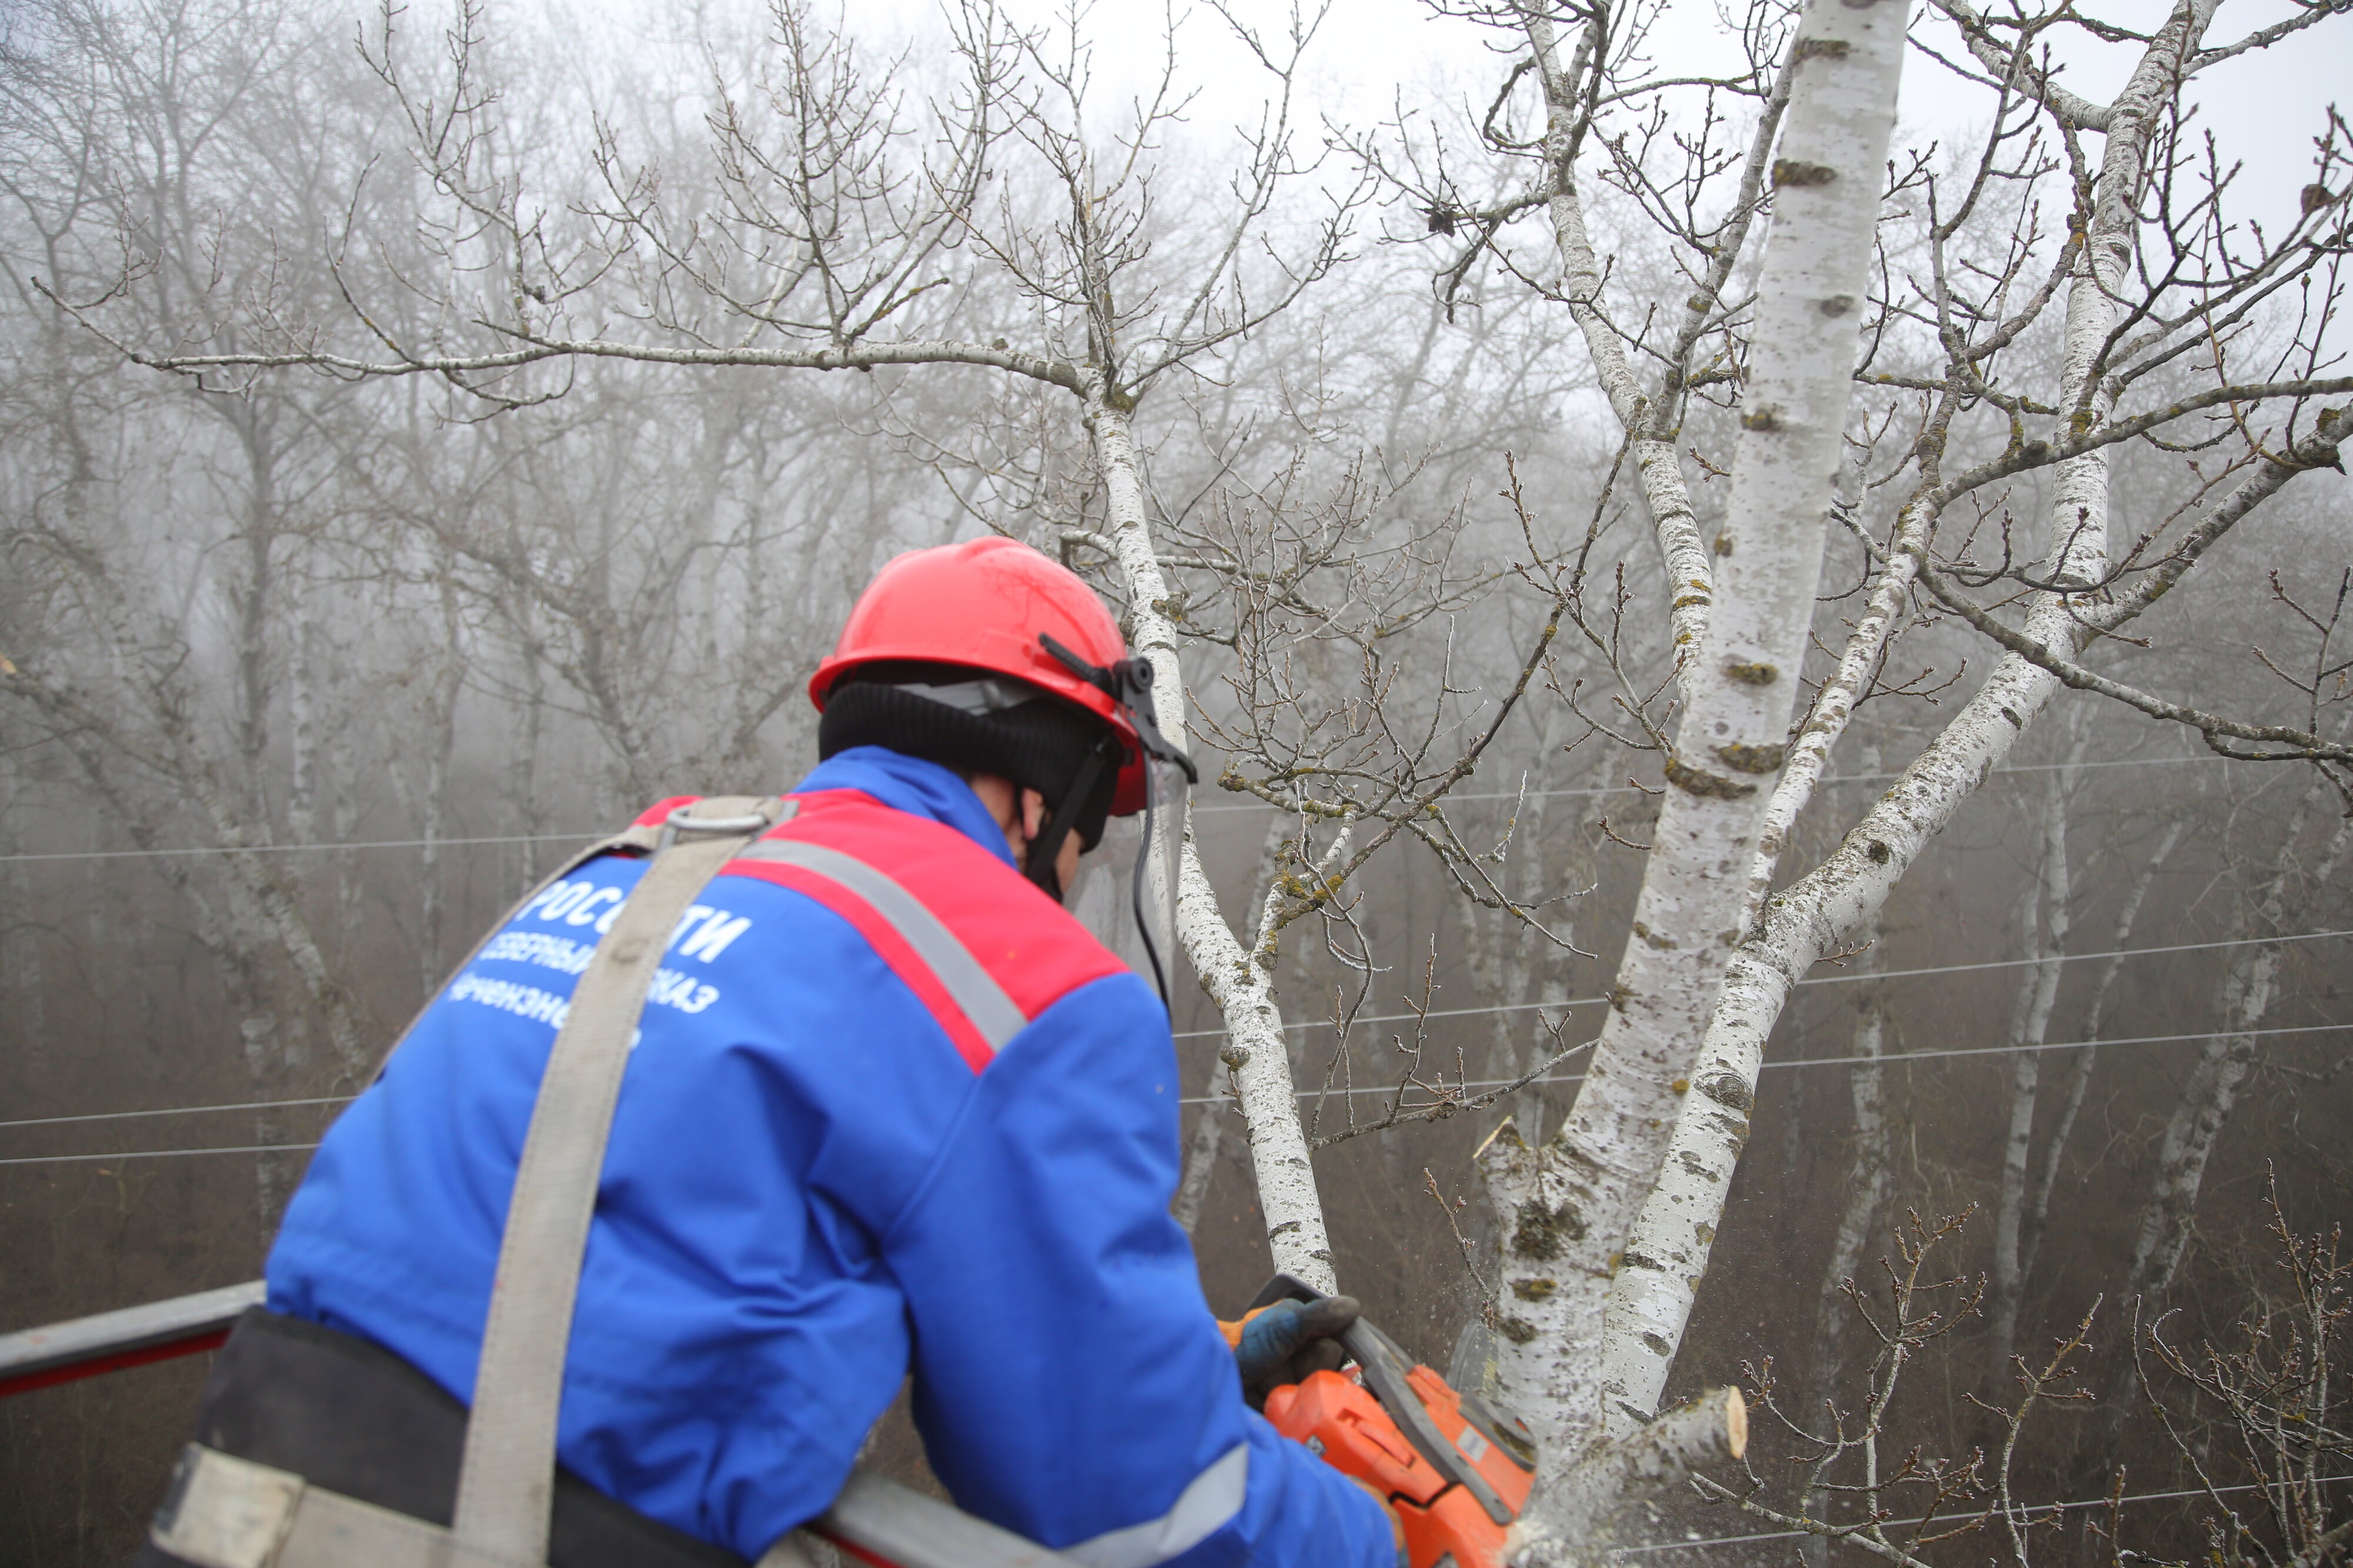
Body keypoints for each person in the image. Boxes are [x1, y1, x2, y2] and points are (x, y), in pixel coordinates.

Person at [140, 537, 1397, 1568]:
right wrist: (1386, 1541)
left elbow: (627, 1247)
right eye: (1087, 828)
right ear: (1040, 781)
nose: (1074, 873)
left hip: (232, 1504)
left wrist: (1186, 1369)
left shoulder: (643, 863)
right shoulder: (1023, 979)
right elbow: (1113, 1497)